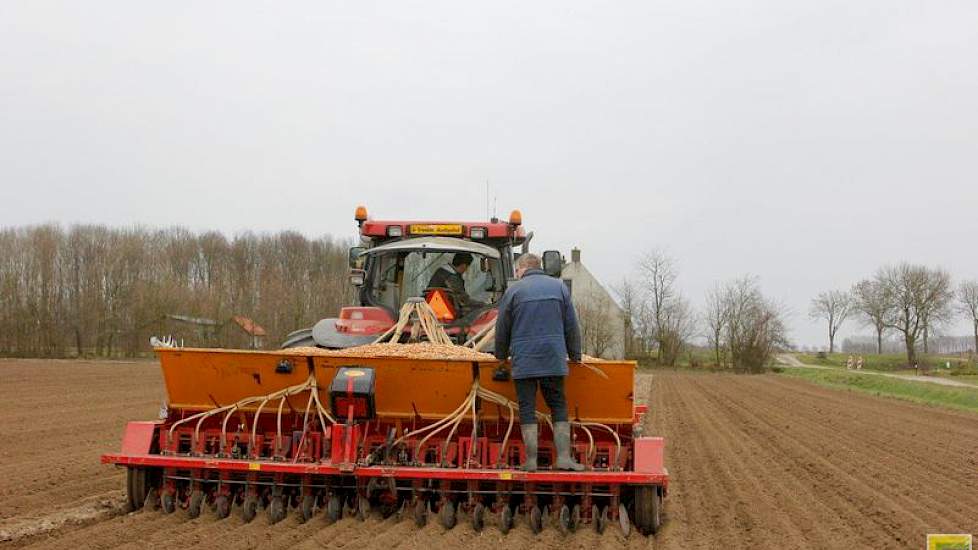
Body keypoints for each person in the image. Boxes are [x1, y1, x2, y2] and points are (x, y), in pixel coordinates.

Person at [494, 253, 583, 472]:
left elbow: (502, 327)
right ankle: (563, 458)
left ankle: (531, 461)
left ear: (523, 268)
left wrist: (500, 356)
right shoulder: (560, 288)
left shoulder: (514, 290)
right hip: (553, 358)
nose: (516, 274)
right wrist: (575, 355)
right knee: (558, 404)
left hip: (524, 360)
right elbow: (572, 325)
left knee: (527, 407)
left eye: (517, 270)